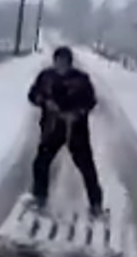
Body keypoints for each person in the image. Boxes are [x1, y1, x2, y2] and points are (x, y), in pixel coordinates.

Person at [27, 46, 104, 217]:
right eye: (58, 61)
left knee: (86, 167)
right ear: (54, 61)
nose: (60, 65)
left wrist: (77, 113)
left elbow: (91, 102)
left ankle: (96, 204)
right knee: (41, 163)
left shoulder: (81, 80)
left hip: (76, 130)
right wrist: (44, 101)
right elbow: (32, 95)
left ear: (70, 63)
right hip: (52, 128)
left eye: (64, 62)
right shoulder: (46, 77)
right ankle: (40, 198)